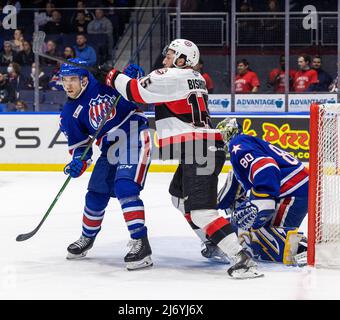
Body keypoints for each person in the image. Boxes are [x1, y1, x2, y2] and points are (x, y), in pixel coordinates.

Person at [98, 39, 263, 279]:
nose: (165, 58)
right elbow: (148, 89)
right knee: (179, 197)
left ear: (183, 59)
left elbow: (136, 92)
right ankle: (213, 241)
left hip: (200, 149)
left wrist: (112, 75)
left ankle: (241, 257)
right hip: (199, 148)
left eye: (171, 54)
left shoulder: (173, 75)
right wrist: (124, 78)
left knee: (202, 212)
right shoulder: (194, 79)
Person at [59, 58, 153, 271]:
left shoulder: (105, 82)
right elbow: (81, 148)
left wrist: (132, 78)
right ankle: (87, 237)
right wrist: (77, 163)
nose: (68, 85)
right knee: (95, 192)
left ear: (84, 79)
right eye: (64, 80)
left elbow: (138, 93)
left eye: (73, 79)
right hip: (109, 149)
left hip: (134, 135)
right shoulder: (68, 114)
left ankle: (141, 243)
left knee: (125, 187)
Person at [215, 118, 309, 266]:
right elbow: (228, 194)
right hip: (294, 188)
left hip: (292, 189)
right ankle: (302, 247)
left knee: (271, 242)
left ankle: (308, 250)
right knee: (257, 232)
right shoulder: (244, 147)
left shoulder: (237, 144)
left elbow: (266, 165)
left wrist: (262, 199)